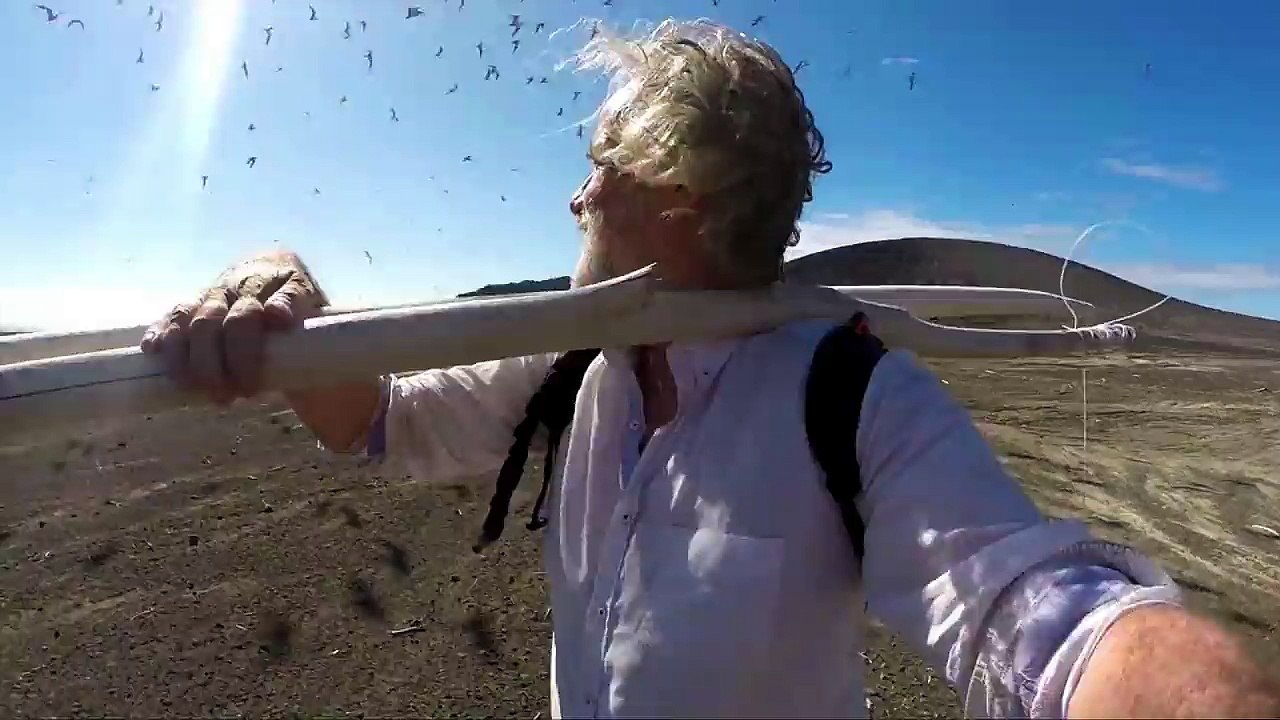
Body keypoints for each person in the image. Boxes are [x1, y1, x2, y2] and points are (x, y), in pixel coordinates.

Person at [141, 19, 1277, 719]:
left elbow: (1030, 615)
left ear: (676, 194)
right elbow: (369, 417)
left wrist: (1180, 691)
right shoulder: (564, 360)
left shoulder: (855, 395)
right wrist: (279, 284)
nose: (575, 196)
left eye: (599, 166)